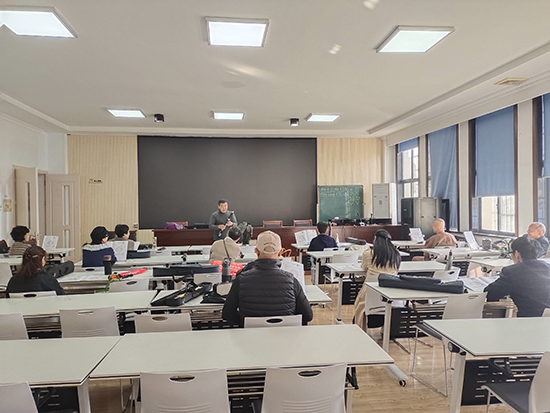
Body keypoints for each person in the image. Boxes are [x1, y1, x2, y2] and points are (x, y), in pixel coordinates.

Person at [222, 230, 313, 326]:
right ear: (280, 252)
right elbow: (308, 316)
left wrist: (244, 321)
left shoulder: (241, 280)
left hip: (251, 334)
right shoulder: (291, 280)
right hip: (285, 334)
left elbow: (227, 314)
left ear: (256, 251)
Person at [485, 237, 550, 317]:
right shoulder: (547, 267)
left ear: (517, 254)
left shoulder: (513, 271)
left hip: (530, 320)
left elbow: (490, 294)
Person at [354, 229, 401, 330]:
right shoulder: (396, 255)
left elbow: (364, 267)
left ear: (375, 239)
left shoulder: (369, 254)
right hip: (391, 295)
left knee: (359, 302)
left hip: (370, 295)